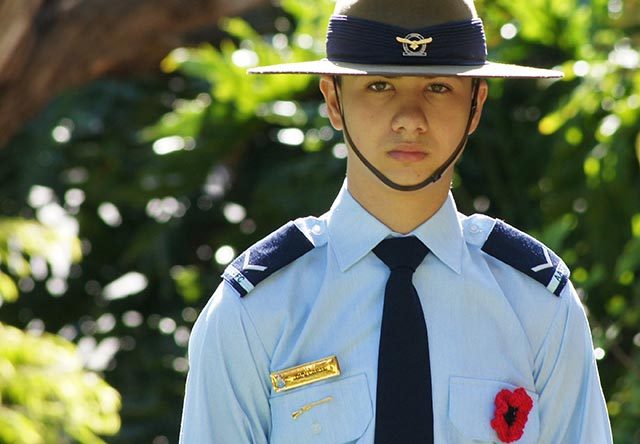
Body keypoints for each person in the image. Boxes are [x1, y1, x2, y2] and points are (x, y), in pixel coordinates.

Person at [179, 0, 613, 442]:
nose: (410, 119)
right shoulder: (257, 311)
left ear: (476, 106)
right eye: (380, 85)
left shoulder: (536, 305)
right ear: (333, 100)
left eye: (439, 87)